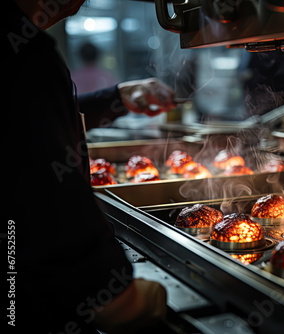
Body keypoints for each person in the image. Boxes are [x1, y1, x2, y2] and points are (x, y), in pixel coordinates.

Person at [4, 0, 175, 332]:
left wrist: (117, 98)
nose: (78, 3)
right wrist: (116, 295)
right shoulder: (21, 50)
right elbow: (42, 195)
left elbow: (31, 121)